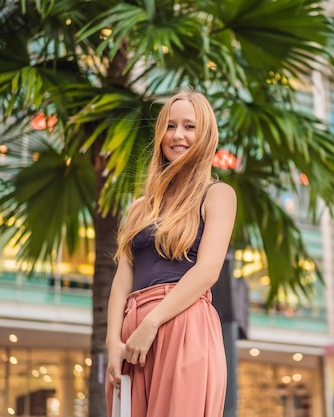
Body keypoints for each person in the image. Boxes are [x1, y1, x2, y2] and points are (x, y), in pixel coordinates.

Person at [105, 90, 237, 417]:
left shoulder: (217, 194)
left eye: (190, 127)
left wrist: (152, 322)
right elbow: (122, 281)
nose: (178, 135)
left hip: (183, 320)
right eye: (170, 126)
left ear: (205, 135)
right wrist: (111, 342)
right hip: (131, 331)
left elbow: (207, 271)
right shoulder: (139, 208)